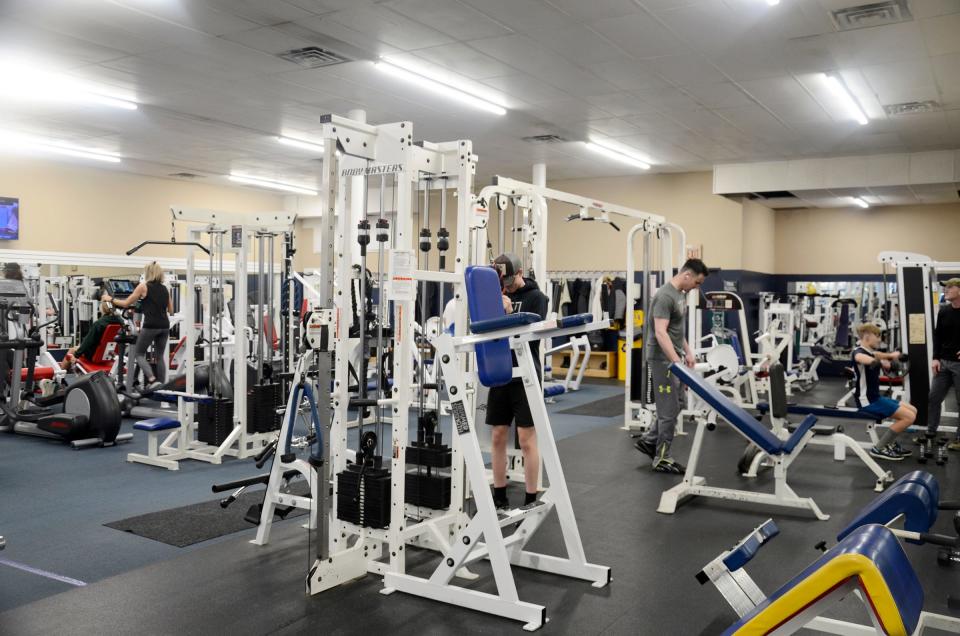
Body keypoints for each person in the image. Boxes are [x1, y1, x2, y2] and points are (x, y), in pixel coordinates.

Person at [634, 258, 708, 473]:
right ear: (687, 276)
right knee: (668, 410)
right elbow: (660, 332)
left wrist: (688, 352)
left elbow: (677, 329)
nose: (697, 287)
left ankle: (649, 441)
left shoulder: (680, 295)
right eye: (697, 283)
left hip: (674, 357)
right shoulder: (665, 296)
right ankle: (662, 457)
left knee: (678, 403)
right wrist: (675, 362)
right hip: (661, 359)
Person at [487, 253, 549, 510]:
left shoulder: (537, 298)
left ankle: (531, 497)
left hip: (525, 375)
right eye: (505, 282)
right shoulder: (495, 294)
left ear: (521, 272)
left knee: (526, 439)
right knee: (498, 435)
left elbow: (532, 337)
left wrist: (511, 313)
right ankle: (499, 494)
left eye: (511, 281)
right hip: (501, 372)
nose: (508, 286)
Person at [103, 262, 171, 394]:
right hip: (165, 326)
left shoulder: (143, 286)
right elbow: (171, 309)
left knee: (139, 354)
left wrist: (110, 299)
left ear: (148, 273)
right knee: (160, 356)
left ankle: (152, 380)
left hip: (151, 325)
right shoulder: (164, 289)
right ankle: (162, 387)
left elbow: (126, 303)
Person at [851, 323, 916, 460]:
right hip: (867, 401)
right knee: (909, 417)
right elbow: (860, 358)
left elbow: (878, 354)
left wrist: (893, 355)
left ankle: (889, 443)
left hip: (875, 398)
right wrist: (879, 362)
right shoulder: (859, 352)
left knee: (912, 410)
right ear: (867, 336)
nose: (879, 339)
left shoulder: (871, 352)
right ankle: (879, 448)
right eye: (877, 336)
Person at [928, 277, 960, 450]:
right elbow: (937, 336)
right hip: (944, 363)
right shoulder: (944, 311)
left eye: (949, 287)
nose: (946, 290)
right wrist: (935, 357)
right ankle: (930, 432)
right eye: (945, 287)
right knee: (934, 398)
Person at [61, 299, 123, 371]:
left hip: (94, 355)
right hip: (110, 355)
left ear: (103, 308)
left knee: (72, 350)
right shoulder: (121, 322)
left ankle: (60, 375)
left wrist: (76, 355)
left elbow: (88, 342)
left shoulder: (99, 323)